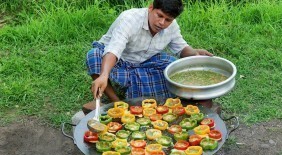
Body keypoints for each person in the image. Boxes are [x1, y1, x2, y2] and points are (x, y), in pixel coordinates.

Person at [82, 0, 213, 114]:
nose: (162, 22)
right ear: (151, 8)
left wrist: (194, 53)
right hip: (116, 61)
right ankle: (117, 103)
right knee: (93, 56)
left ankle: (140, 90)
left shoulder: (171, 26)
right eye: (159, 15)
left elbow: (181, 48)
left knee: (172, 65)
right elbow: (114, 50)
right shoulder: (130, 19)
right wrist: (104, 75)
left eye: (168, 19)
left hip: (144, 63)